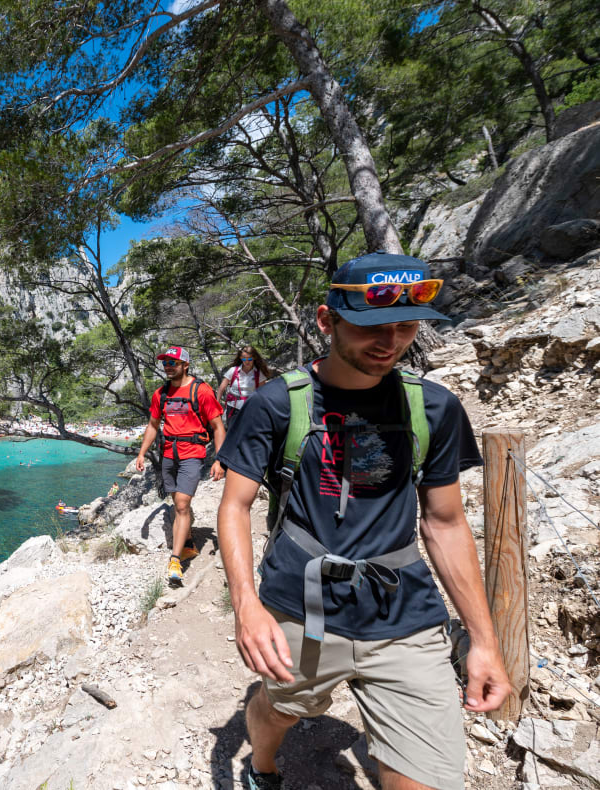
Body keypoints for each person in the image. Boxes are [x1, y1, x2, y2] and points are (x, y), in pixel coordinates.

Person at [217, 251, 511, 790]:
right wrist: (246, 607)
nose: (391, 342)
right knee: (281, 710)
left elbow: (444, 523)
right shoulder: (277, 403)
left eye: (405, 327)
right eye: (372, 327)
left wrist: (483, 639)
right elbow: (235, 505)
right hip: (300, 608)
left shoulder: (435, 408)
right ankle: (262, 765)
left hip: (405, 614)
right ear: (327, 321)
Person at [136, 345, 226, 585]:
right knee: (177, 503)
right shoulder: (161, 394)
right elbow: (154, 425)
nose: (168, 367)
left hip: (192, 454)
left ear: (185, 365)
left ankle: (175, 561)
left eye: (173, 363)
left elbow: (218, 427)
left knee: (183, 505)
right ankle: (186, 544)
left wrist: (220, 459)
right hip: (169, 455)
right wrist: (142, 453)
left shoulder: (202, 391)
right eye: (165, 363)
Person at [216, 346, 269, 427]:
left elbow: (263, 393)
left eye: (250, 359)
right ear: (241, 358)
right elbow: (221, 388)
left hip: (251, 408)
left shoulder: (259, 374)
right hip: (233, 408)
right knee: (232, 432)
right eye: (244, 359)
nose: (247, 361)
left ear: (254, 358)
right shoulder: (233, 371)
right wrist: (217, 403)